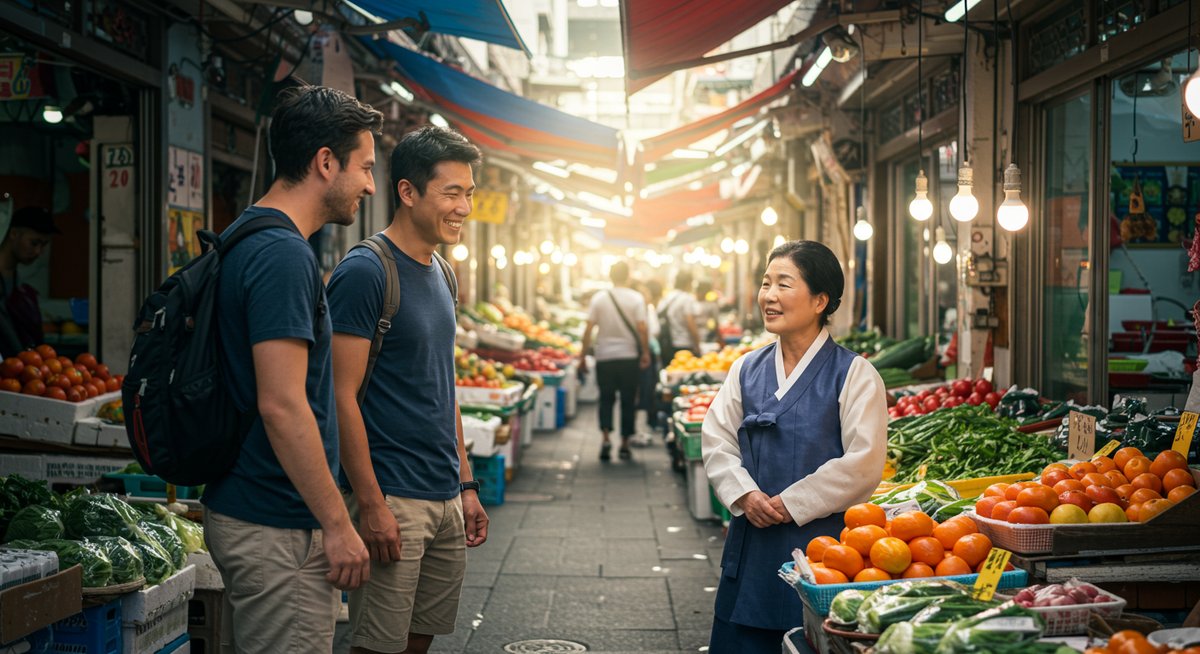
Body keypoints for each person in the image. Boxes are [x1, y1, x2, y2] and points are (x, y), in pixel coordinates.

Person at [201, 85, 379, 653]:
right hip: (276, 524)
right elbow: (281, 403)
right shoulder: (282, 255)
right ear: (326, 162)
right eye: (366, 167)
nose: (371, 184)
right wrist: (337, 523)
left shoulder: (249, 235)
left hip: (252, 509)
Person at [328, 125, 489, 654]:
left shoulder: (443, 272)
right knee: (377, 644)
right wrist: (371, 505)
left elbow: (444, 389)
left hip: (444, 494)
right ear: (407, 191)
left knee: (421, 639)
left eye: (469, 192)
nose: (465, 206)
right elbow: (340, 396)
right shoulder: (365, 272)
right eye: (452, 192)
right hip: (393, 494)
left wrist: (465, 486)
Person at [701, 240, 887, 652]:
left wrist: (792, 503)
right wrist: (744, 493)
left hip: (824, 550)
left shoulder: (855, 374)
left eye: (784, 284)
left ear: (820, 299)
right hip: (750, 543)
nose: (768, 296)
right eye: (766, 283)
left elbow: (864, 462)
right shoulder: (745, 368)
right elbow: (716, 439)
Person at [578, 260, 650, 461]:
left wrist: (582, 355)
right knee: (628, 400)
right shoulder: (636, 298)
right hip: (629, 357)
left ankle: (606, 439)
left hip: (605, 357)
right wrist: (645, 352)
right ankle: (625, 443)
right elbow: (642, 328)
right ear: (628, 276)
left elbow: (588, 329)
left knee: (606, 398)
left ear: (610, 276)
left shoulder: (599, 298)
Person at [0, 206, 58, 356]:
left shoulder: (18, 285)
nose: (38, 251)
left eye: (44, 245)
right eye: (34, 243)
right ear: (13, 234)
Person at [659, 270, 702, 366]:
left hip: (667, 344)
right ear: (688, 282)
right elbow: (691, 322)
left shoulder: (667, 297)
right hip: (684, 344)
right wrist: (697, 344)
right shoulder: (687, 298)